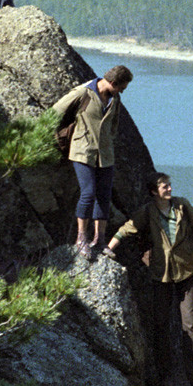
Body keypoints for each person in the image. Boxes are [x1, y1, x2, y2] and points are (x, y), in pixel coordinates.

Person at [107, 172, 193, 386]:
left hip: (186, 270)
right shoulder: (147, 212)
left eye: (170, 186)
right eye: (164, 187)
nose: (169, 190)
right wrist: (108, 248)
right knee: (161, 327)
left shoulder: (182, 206)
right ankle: (165, 378)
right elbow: (125, 230)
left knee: (189, 325)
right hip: (161, 275)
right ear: (154, 192)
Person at [52, 65, 133, 259]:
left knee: (104, 196)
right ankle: (81, 239)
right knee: (88, 193)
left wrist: (107, 140)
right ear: (112, 82)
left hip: (105, 155)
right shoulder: (83, 92)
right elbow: (55, 112)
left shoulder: (115, 98)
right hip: (82, 152)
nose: (122, 91)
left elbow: (113, 126)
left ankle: (100, 240)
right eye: (121, 87)